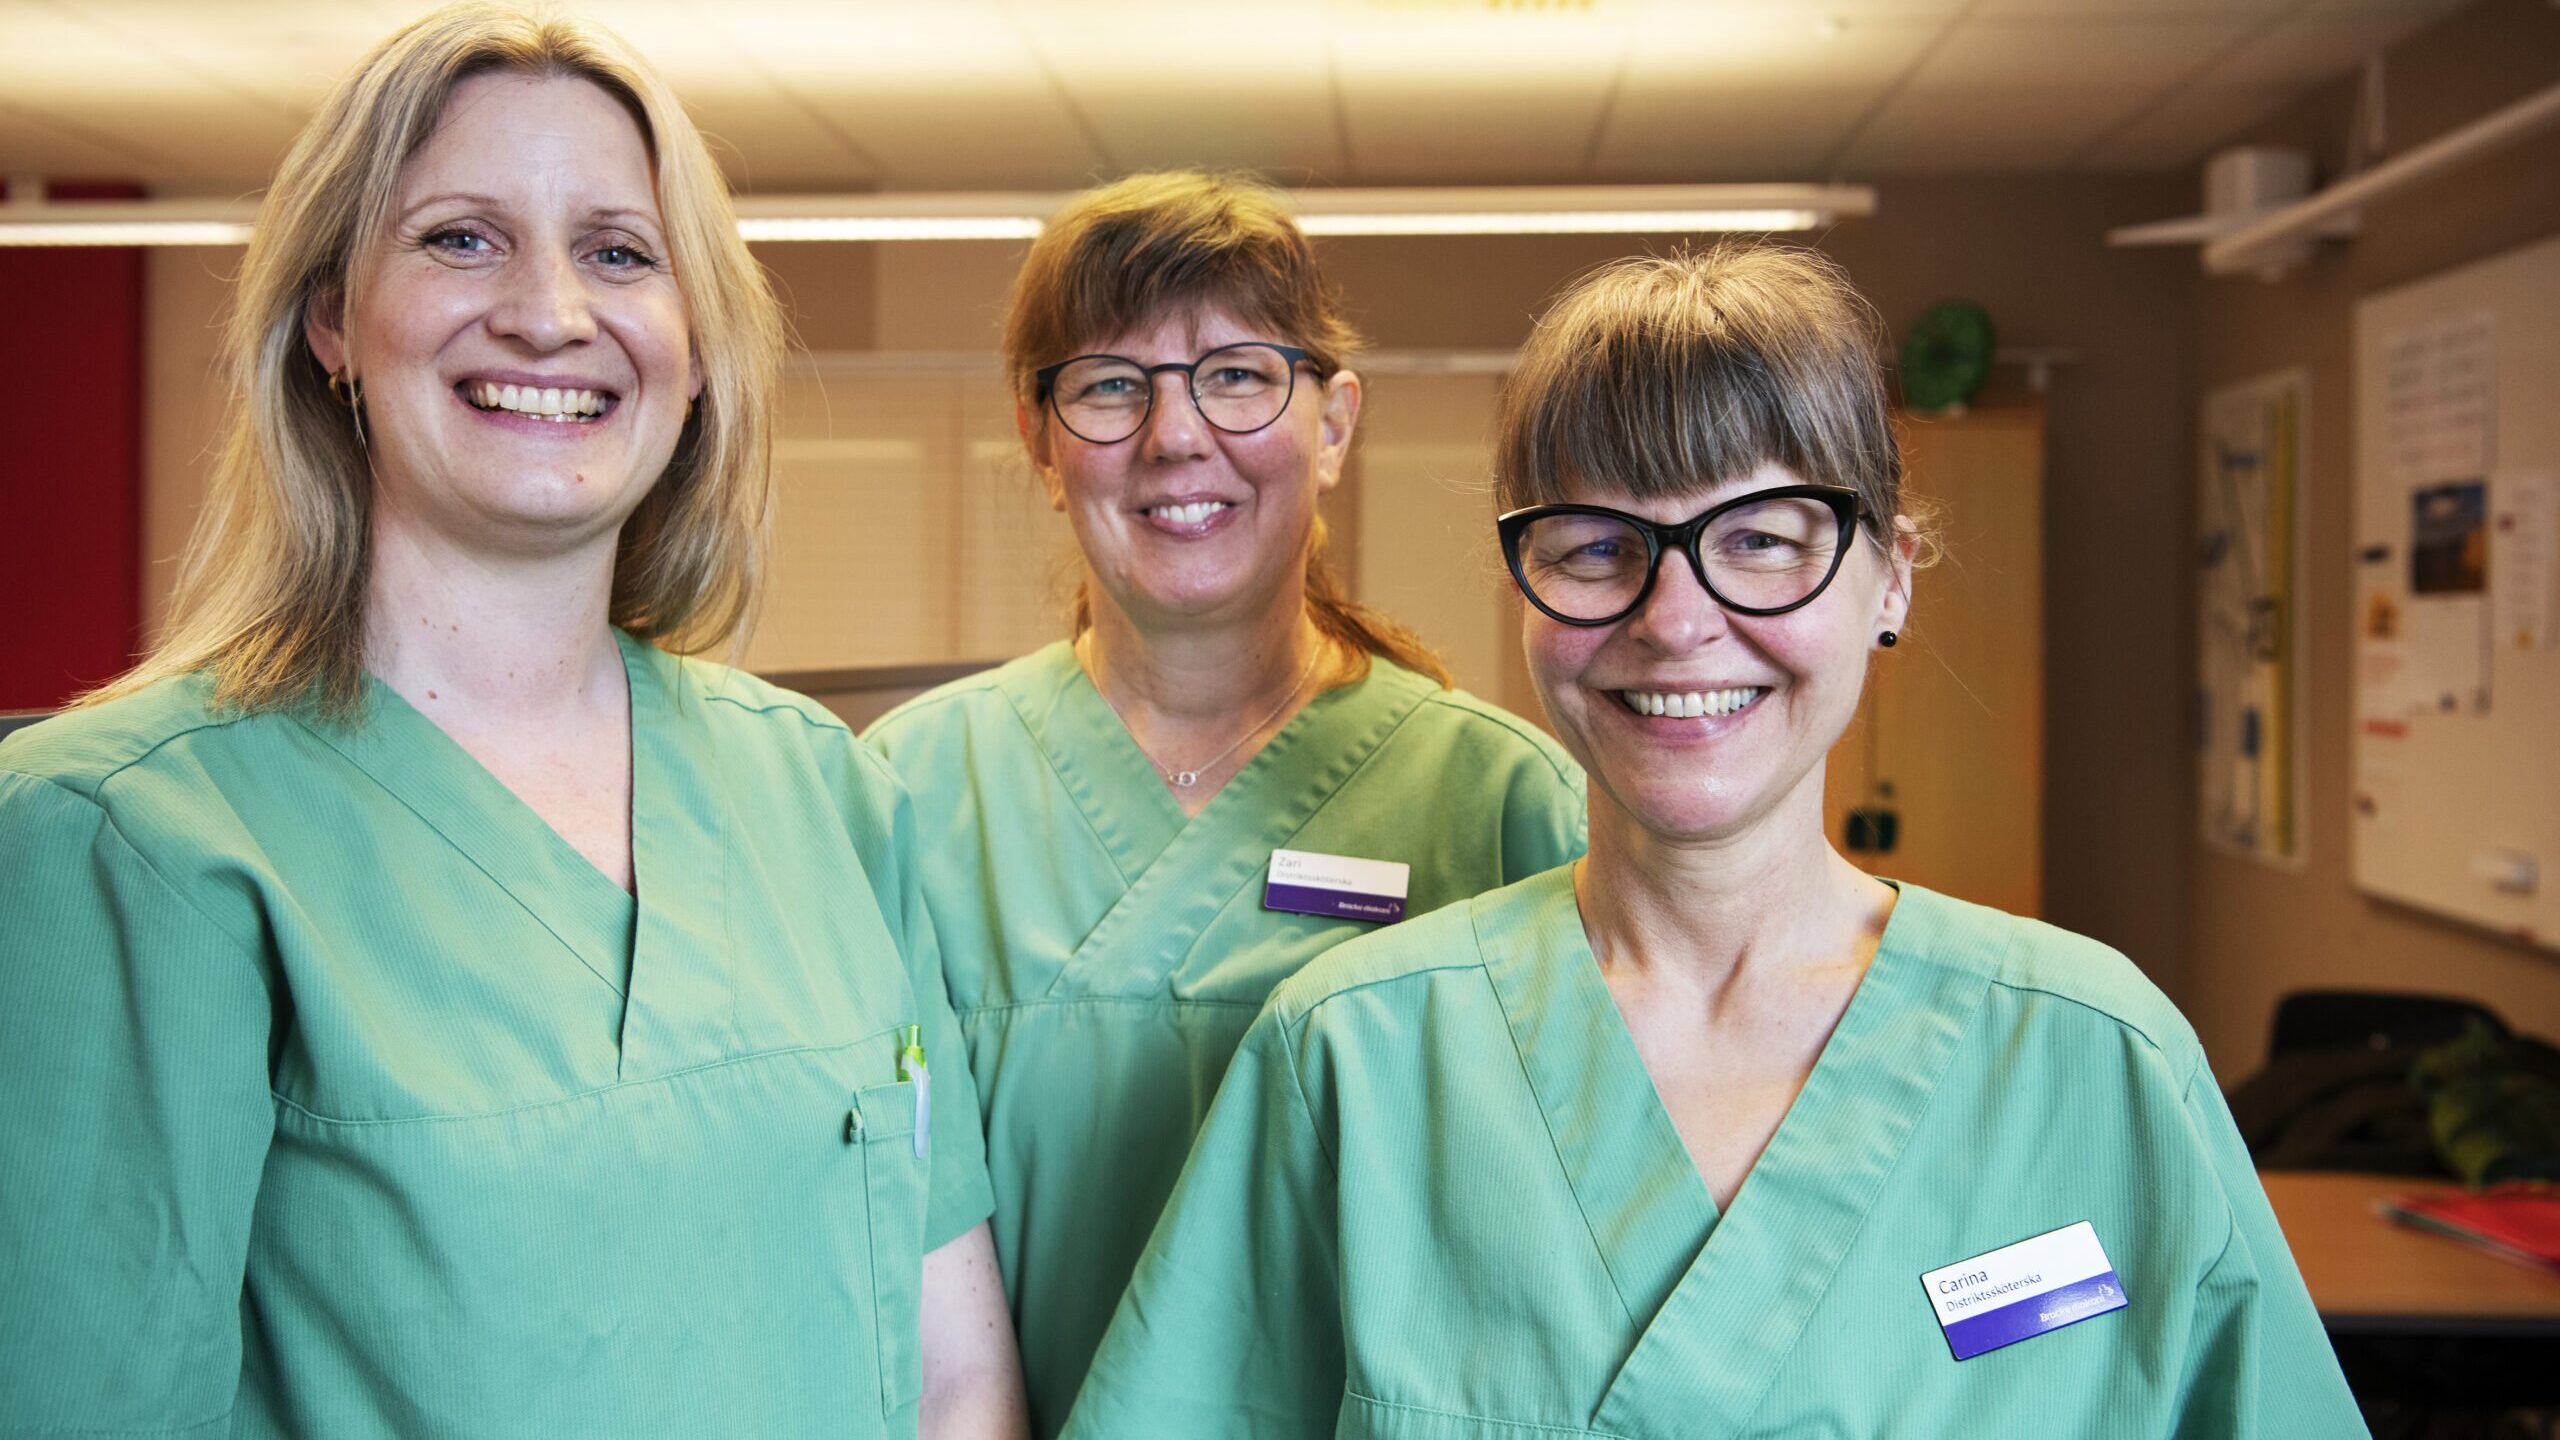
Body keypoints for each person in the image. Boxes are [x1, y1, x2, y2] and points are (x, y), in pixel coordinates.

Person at [1065, 246, 2366, 1438]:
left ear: (1892, 575)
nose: (1677, 620)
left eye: (1759, 539)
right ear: (1525, 585)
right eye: (1596, 547)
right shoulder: (1354, 1057)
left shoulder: (2098, 1063)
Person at [0, 7, 1026, 1436]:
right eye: (461, 238)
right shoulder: (122, 840)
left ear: (699, 344)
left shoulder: (823, 795)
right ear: (331, 324)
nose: (551, 310)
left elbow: (956, 1378)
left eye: (619, 251)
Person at [865, 170, 1587, 1436]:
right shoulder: (909, 795)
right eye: (1107, 385)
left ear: (1335, 422)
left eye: (1239, 374)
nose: (1175, 436)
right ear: (1038, 440)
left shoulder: (1502, 806)